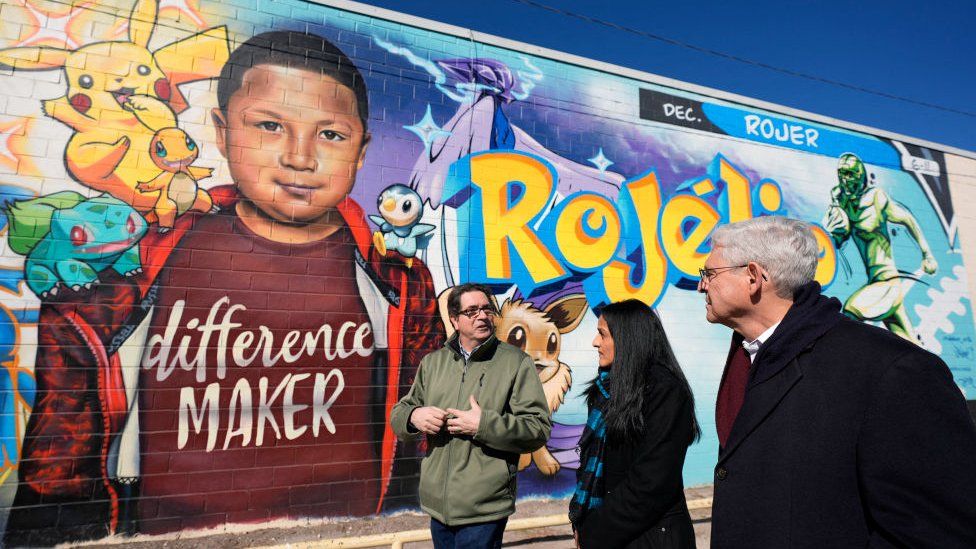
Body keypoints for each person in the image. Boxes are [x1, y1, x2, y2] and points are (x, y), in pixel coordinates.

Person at [6, 30, 443, 544]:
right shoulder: (122, 274)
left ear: (362, 150)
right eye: (269, 126)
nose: (300, 158)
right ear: (221, 129)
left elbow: (423, 427)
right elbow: (60, 462)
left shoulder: (398, 280)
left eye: (331, 135)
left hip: (360, 536)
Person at [698, 215, 976, 548]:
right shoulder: (750, 357)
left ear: (754, 277)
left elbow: (934, 531)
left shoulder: (893, 370)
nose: (702, 284)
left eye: (709, 274)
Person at [390, 283, 551, 549]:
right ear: (454, 320)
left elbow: (537, 428)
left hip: (483, 507)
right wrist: (414, 416)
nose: (483, 316)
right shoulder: (433, 363)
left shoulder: (515, 363)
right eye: (472, 310)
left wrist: (483, 424)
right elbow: (400, 414)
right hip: (438, 507)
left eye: (487, 309)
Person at [569, 299, 700, 549]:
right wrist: (583, 522)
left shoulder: (665, 391)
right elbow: (590, 467)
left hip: (652, 537)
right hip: (608, 531)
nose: (595, 342)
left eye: (602, 334)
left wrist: (594, 532)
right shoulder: (604, 390)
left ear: (627, 339)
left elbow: (651, 483)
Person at [822, 152, 937, 343]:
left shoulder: (876, 198)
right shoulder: (843, 204)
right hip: (875, 282)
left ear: (860, 175)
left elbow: (907, 218)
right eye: (841, 174)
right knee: (911, 346)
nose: (845, 179)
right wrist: (834, 214)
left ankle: (860, 362)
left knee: (851, 309)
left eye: (850, 174)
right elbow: (838, 241)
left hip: (888, 282)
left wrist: (927, 254)